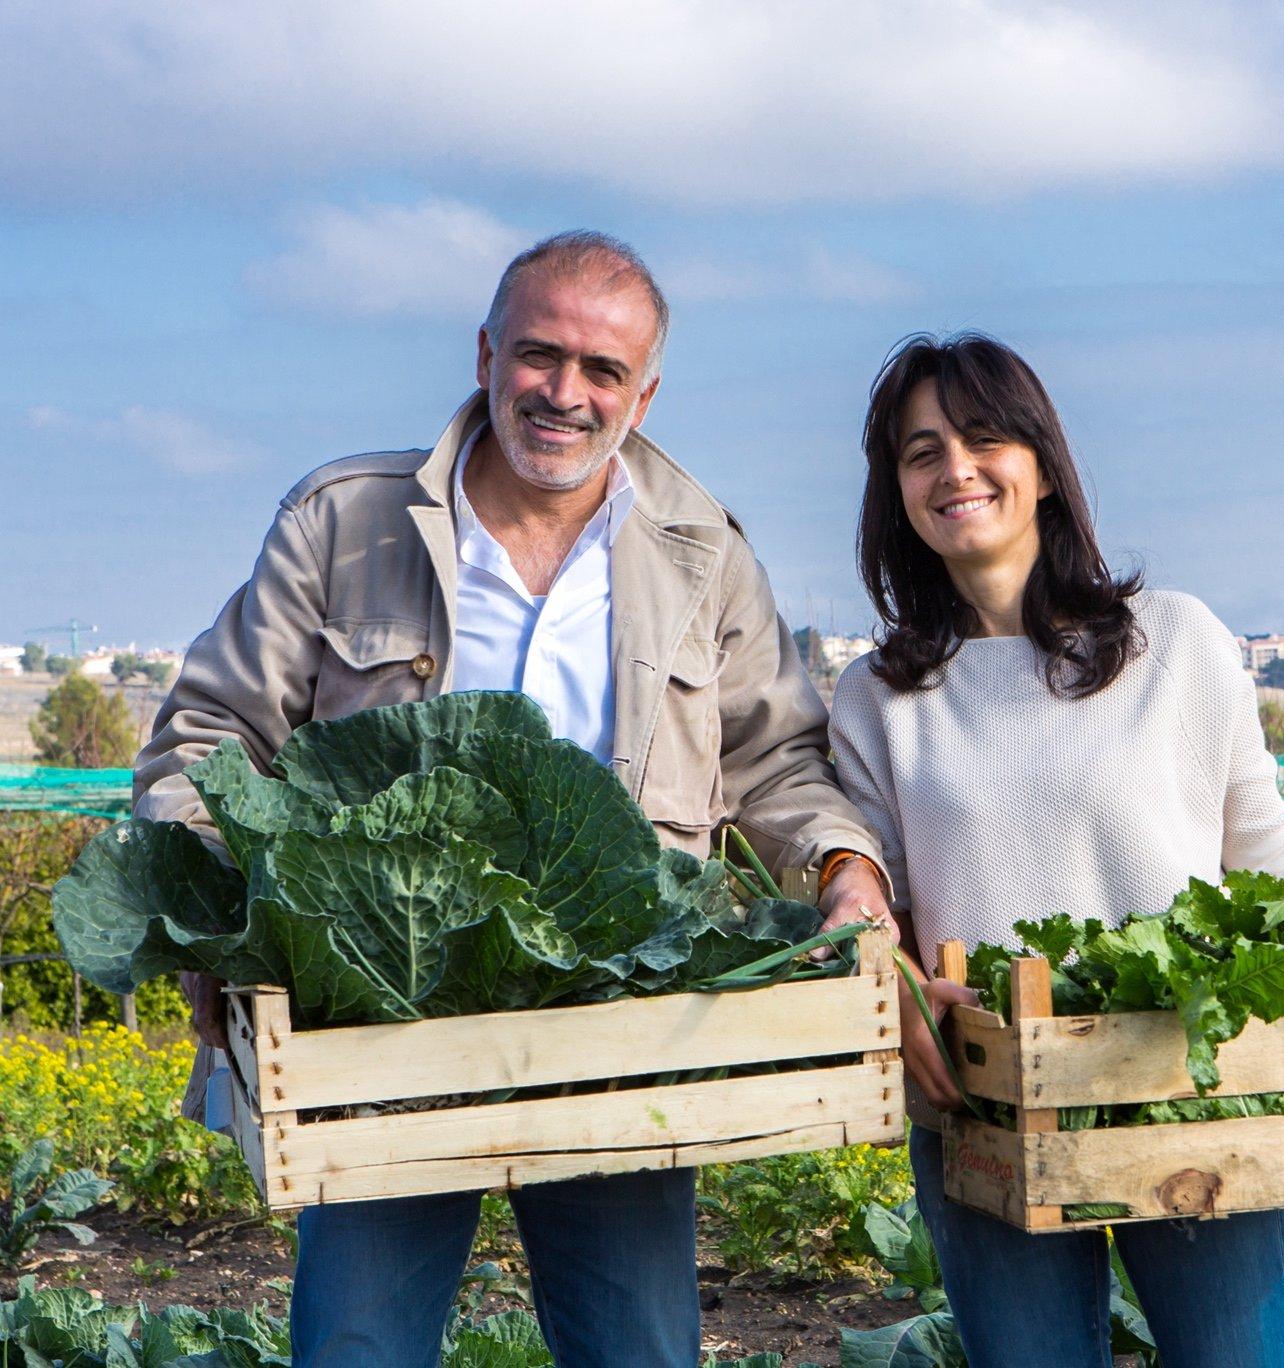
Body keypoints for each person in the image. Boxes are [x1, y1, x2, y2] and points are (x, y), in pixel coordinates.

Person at [135, 231, 896, 1368]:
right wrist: (221, 904)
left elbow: (775, 759)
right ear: (487, 352)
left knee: (636, 1342)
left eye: (602, 373)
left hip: (615, 1010)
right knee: (358, 1338)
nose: (564, 394)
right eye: (540, 355)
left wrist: (846, 868)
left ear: (644, 394)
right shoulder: (346, 521)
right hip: (382, 1001)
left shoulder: (701, 553)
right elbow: (207, 732)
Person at [827, 332, 1284, 1368]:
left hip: (1187, 1079)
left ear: (1043, 467)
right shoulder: (875, 697)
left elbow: (1268, 851)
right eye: (920, 451)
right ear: (895, 491)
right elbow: (869, 892)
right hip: (987, 1110)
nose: (954, 469)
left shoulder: (1175, 640)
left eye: (982, 438)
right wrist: (878, 968)